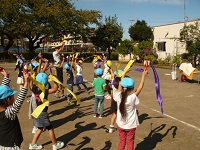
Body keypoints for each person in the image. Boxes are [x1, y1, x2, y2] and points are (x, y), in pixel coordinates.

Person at [113, 70, 148, 150]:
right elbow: (141, 86)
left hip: (120, 124)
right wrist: (143, 75)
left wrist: (124, 73)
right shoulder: (132, 97)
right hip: (131, 125)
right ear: (132, 89)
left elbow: (120, 84)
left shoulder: (118, 95)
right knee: (130, 141)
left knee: (122, 142)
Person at [29, 72, 64, 150]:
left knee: (40, 128)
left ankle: (33, 144)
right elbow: (55, 89)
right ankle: (55, 145)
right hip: (43, 113)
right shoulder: (44, 91)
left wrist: (31, 78)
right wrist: (55, 80)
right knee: (50, 128)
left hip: (37, 111)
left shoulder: (34, 89)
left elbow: (30, 85)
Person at [0, 67, 29, 150]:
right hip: (11, 146)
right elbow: (19, 101)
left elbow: (1, 91)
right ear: (6, 100)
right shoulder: (8, 114)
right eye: (12, 96)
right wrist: (26, 83)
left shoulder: (3, 110)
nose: (14, 98)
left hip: (2, 144)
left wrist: (6, 77)